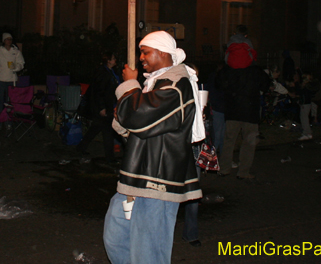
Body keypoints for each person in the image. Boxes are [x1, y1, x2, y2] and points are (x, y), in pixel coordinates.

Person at [103, 31, 204, 264]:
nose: (141, 57)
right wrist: (131, 104)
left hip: (158, 180)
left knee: (148, 251)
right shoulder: (156, 84)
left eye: (145, 51)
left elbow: (135, 115)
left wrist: (130, 85)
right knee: (116, 237)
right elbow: (129, 122)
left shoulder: (176, 85)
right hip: (136, 174)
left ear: (162, 52)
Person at [216, 61, 269, 179]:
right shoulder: (255, 70)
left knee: (229, 141)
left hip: (232, 111)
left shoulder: (227, 69)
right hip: (250, 111)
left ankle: (224, 169)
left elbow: (218, 84)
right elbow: (265, 85)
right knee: (249, 142)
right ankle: (243, 172)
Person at [76, 51, 120, 163]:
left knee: (96, 129)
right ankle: (110, 158)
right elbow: (98, 91)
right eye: (113, 58)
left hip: (108, 105)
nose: (115, 60)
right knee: (107, 131)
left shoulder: (110, 72)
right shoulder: (103, 73)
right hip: (104, 106)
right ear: (109, 61)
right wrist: (102, 107)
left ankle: (81, 148)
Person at [0, 33, 24, 130]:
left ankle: (9, 122)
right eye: (7, 39)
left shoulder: (16, 52)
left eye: (10, 39)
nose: (9, 41)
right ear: (4, 41)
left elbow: (21, 63)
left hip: (11, 80)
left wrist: (16, 68)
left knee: (9, 103)